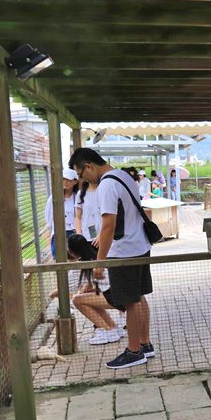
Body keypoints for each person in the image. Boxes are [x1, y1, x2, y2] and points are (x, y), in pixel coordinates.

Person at [70, 148, 154, 369]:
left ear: (88, 166)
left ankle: (134, 351)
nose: (82, 180)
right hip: (140, 245)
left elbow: (108, 226)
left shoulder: (106, 184)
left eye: (80, 174)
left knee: (130, 300)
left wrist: (100, 262)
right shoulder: (123, 175)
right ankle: (145, 344)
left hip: (123, 250)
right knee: (139, 296)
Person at [65, 234, 123, 346]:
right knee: (87, 297)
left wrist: (51, 294)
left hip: (115, 297)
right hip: (118, 293)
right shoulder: (96, 255)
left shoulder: (82, 264)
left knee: (77, 300)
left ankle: (107, 331)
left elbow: (64, 287)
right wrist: (88, 286)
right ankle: (113, 328)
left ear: (72, 251)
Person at [45, 168, 80, 259]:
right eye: (63, 179)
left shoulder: (78, 197)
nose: (65, 182)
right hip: (58, 233)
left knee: (74, 259)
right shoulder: (54, 197)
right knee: (58, 259)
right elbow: (49, 217)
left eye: (68, 179)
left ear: (75, 182)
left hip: (74, 232)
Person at [75, 179, 102, 244]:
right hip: (87, 237)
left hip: (104, 236)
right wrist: (79, 235)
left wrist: (101, 235)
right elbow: (78, 217)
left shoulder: (104, 191)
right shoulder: (81, 193)